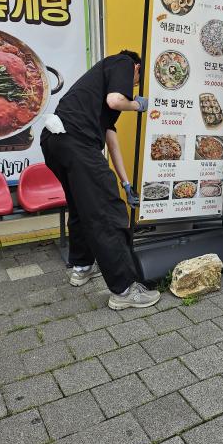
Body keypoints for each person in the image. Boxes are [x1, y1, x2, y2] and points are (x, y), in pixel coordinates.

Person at [40, 50, 161, 310]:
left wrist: (126, 183)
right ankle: (125, 289)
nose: (132, 86)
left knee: (81, 206)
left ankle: (82, 266)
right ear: (137, 68)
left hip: (54, 142)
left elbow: (112, 144)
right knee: (106, 211)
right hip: (76, 142)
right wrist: (139, 104)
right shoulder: (123, 62)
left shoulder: (95, 99)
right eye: (135, 82)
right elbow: (117, 100)